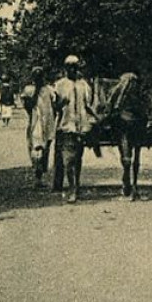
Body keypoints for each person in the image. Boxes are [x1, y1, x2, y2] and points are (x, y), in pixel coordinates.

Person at [51, 54, 97, 203]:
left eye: (75, 67)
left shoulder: (84, 85)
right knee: (68, 160)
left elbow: (89, 104)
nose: (72, 69)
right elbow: (54, 107)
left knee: (77, 159)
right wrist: (60, 104)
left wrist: (95, 119)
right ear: (65, 68)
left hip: (81, 127)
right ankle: (72, 189)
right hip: (66, 126)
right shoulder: (59, 85)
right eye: (69, 67)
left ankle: (75, 185)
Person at [105, 71, 152, 201]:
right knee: (127, 158)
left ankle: (134, 184)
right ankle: (127, 176)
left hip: (138, 119)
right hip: (123, 120)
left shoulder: (141, 93)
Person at [21, 66, 57, 188]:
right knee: (37, 150)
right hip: (36, 123)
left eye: (40, 76)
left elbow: (55, 105)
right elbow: (28, 106)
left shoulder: (49, 90)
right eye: (36, 76)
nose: (38, 78)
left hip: (48, 123)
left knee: (45, 149)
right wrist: (36, 91)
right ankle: (38, 177)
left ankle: (41, 175)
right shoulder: (29, 90)